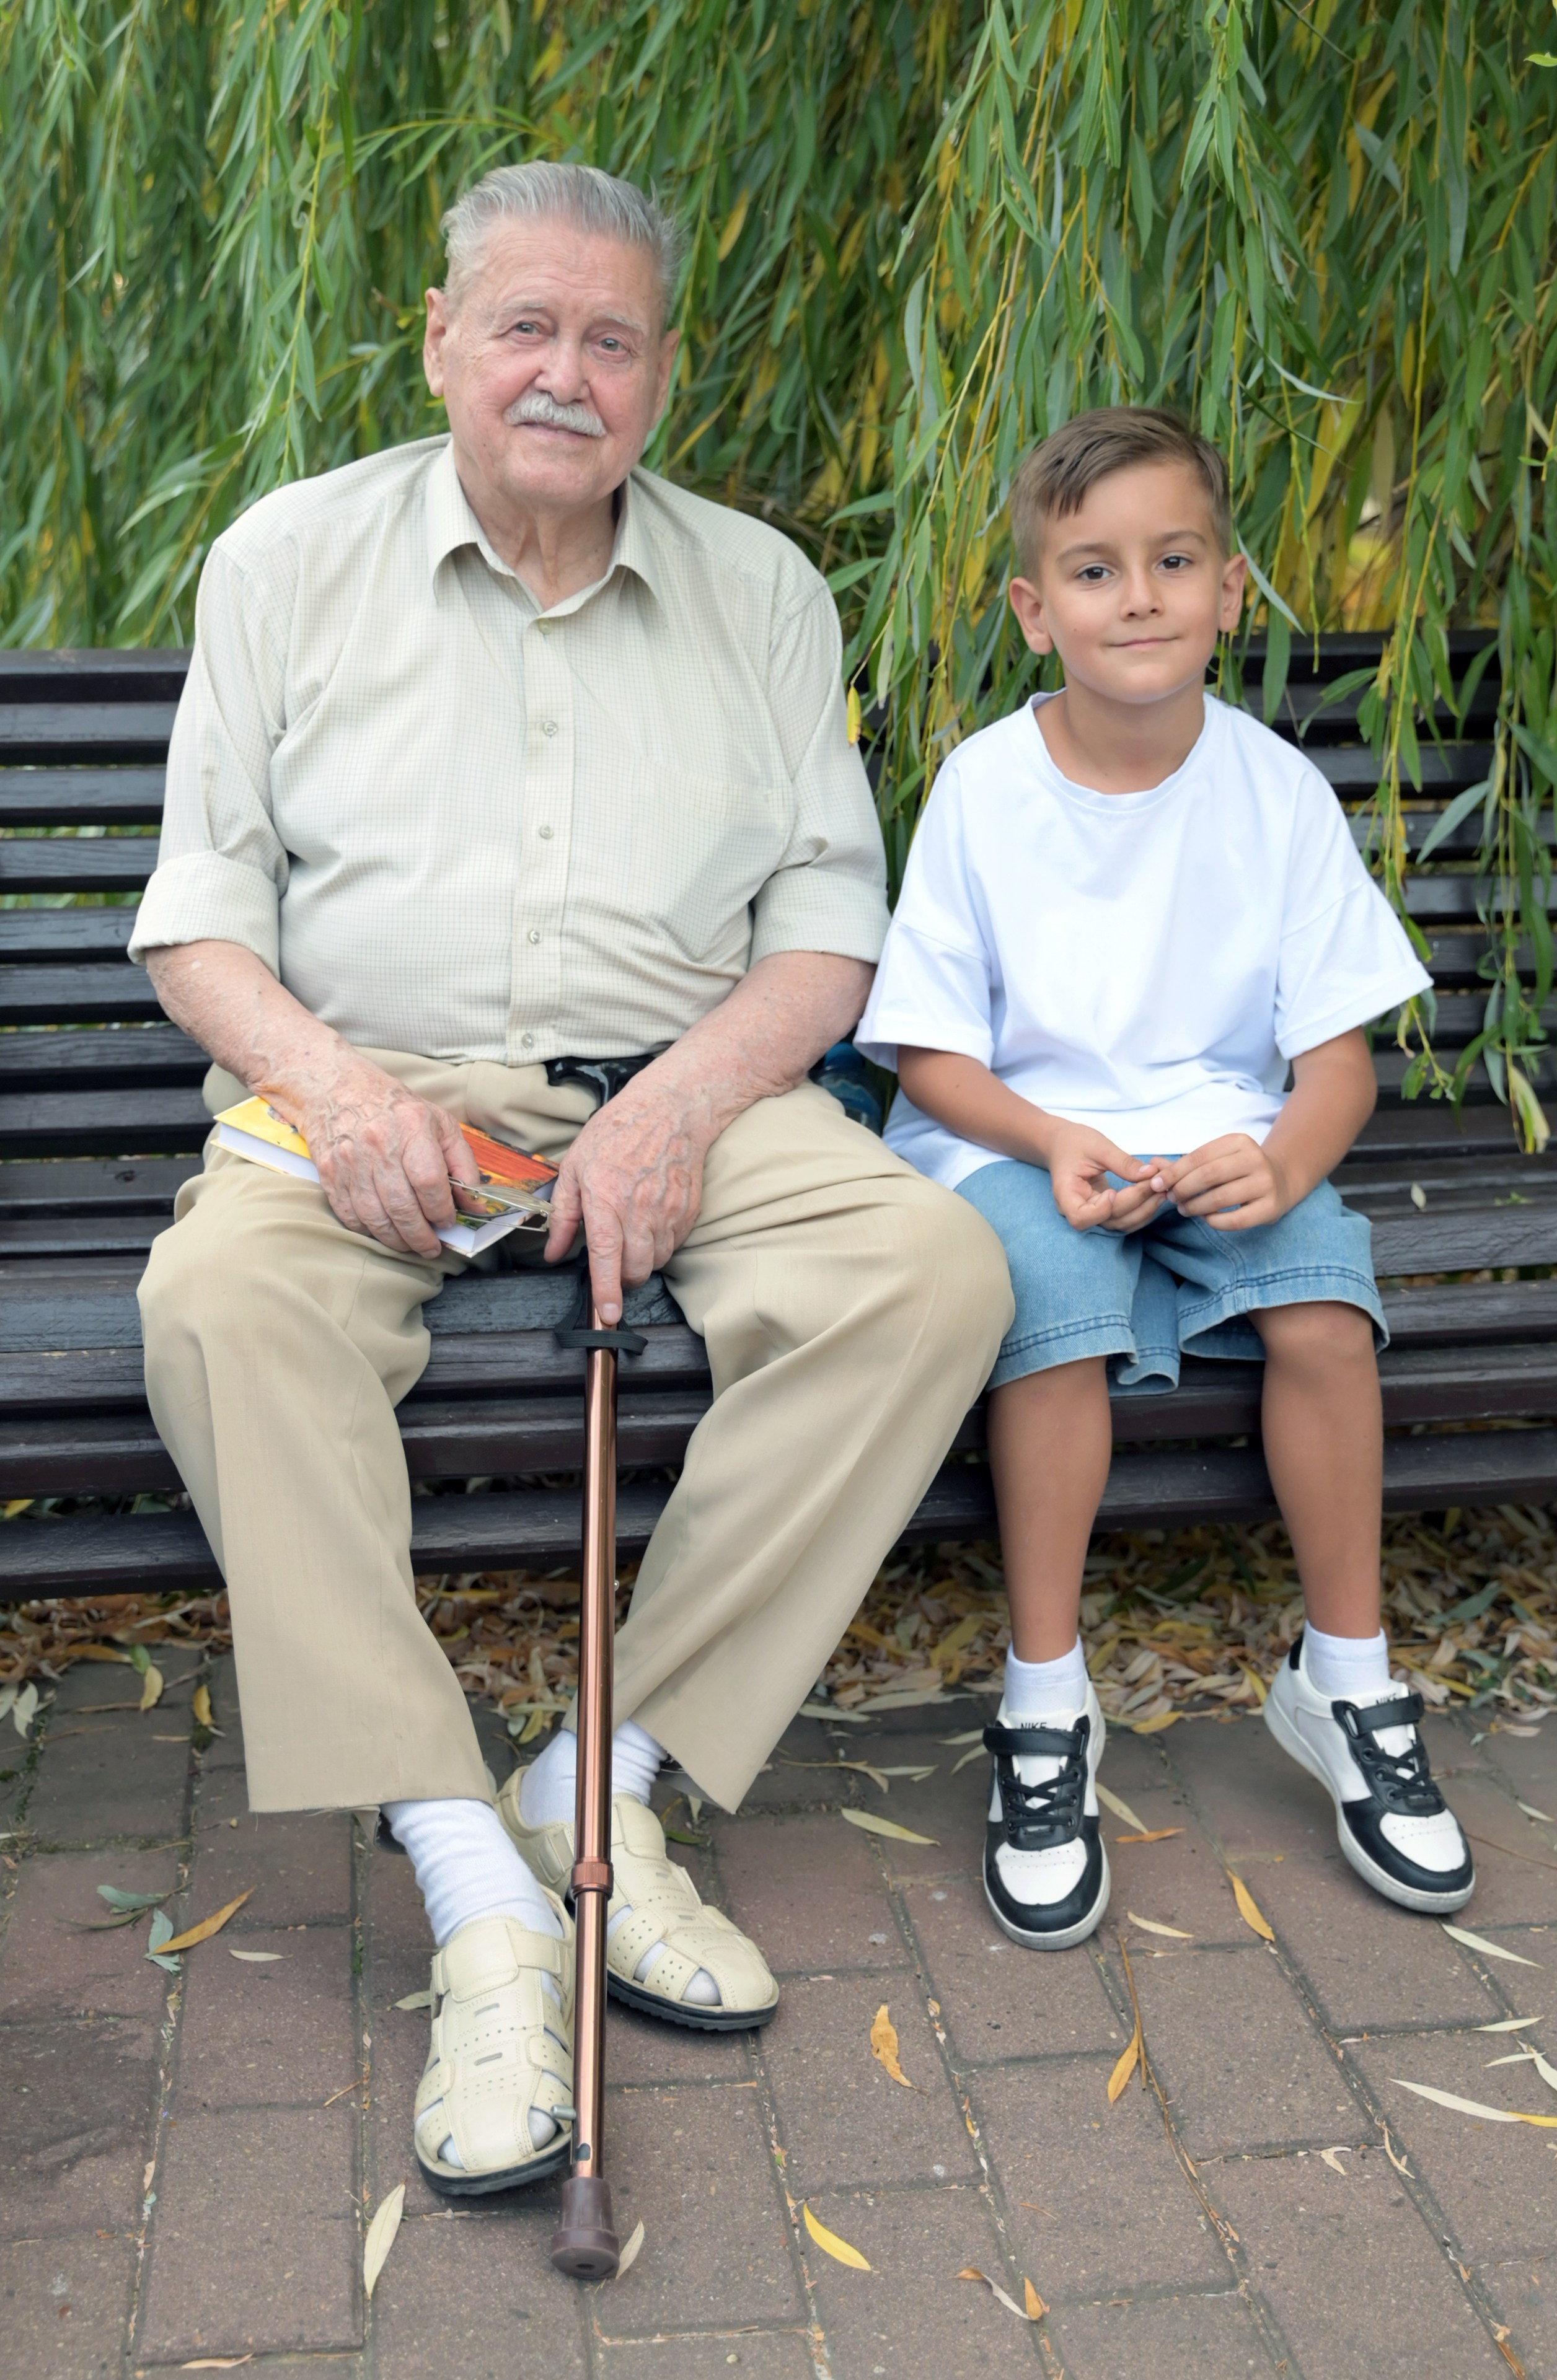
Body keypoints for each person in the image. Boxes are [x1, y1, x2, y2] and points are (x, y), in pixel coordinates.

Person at [131, 160, 1012, 2192]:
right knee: (219, 1305)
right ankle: (478, 1885)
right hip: (368, 1085)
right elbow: (202, 918)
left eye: (609, 339)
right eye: (523, 326)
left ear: (660, 373)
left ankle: (603, 1778)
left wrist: (682, 1104)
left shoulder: (762, 589)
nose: (564, 373)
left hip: (675, 1082)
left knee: (931, 1275)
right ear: (442, 339)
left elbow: (828, 931)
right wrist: (337, 1094)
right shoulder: (286, 561)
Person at [855, 404, 1473, 1954]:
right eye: (1092, 569)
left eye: (1172, 561)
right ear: (1031, 608)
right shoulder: (984, 790)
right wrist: (1045, 1141)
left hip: (1218, 1139)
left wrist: (1281, 1161)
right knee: (1049, 1316)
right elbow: (926, 1057)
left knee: (1321, 1314)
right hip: (1015, 1140)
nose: (1136, 598)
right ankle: (1044, 1703)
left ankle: (1344, 1681)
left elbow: (1335, 1064)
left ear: (1228, 589)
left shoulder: (1272, 791)